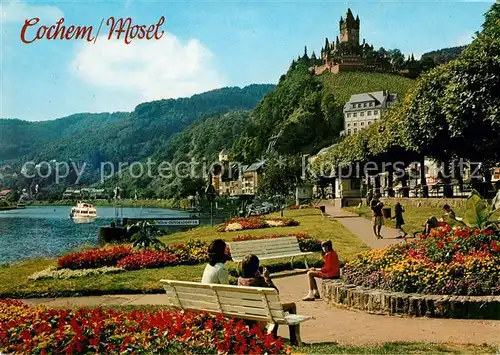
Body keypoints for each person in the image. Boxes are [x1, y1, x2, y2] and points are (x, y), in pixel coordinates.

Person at [237, 254, 299, 345]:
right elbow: (275, 292)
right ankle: (294, 339)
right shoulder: (258, 281)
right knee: (291, 306)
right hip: (262, 312)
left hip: (247, 312)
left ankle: (273, 334)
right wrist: (267, 278)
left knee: (274, 309)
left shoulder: (240, 279)